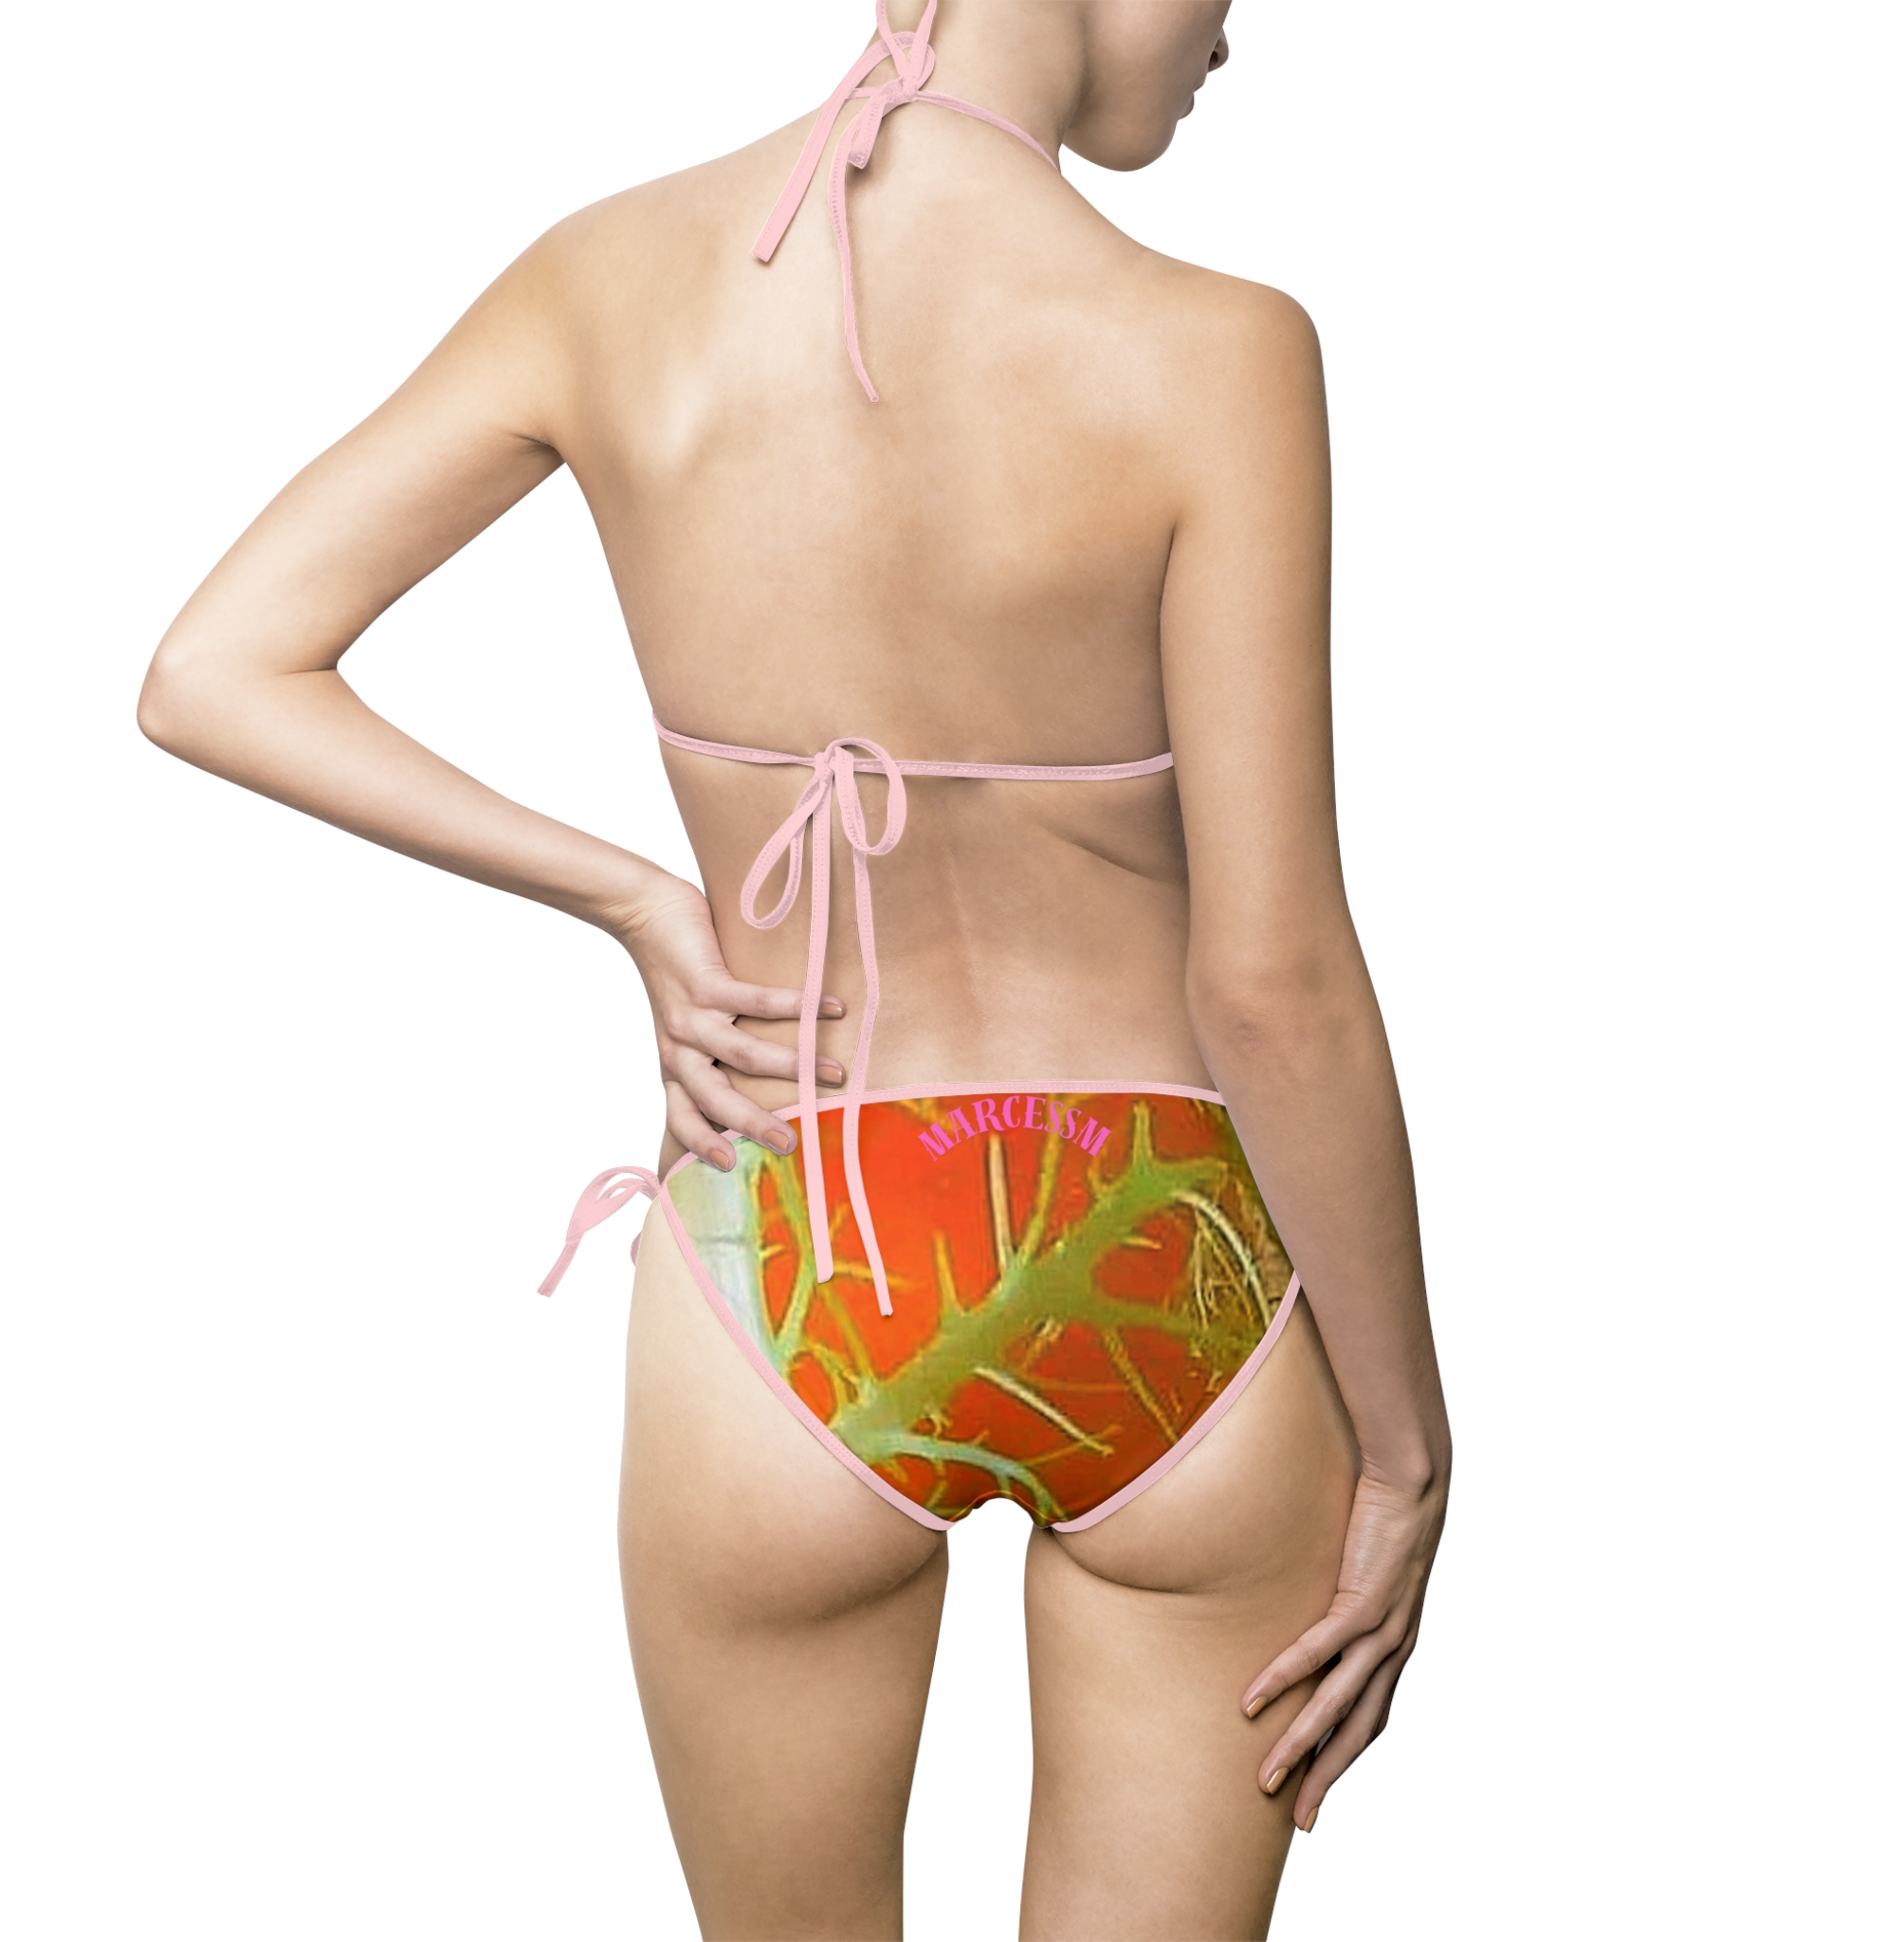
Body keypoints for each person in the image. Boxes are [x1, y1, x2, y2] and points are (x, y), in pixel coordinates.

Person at [138, 1, 1450, 1933]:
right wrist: (1407, 1448)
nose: (1232, 32)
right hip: (1172, 1259)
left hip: (794, 1235)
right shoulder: (1220, 348)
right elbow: (1272, 984)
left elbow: (214, 668)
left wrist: (643, 901)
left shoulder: (606, 280)